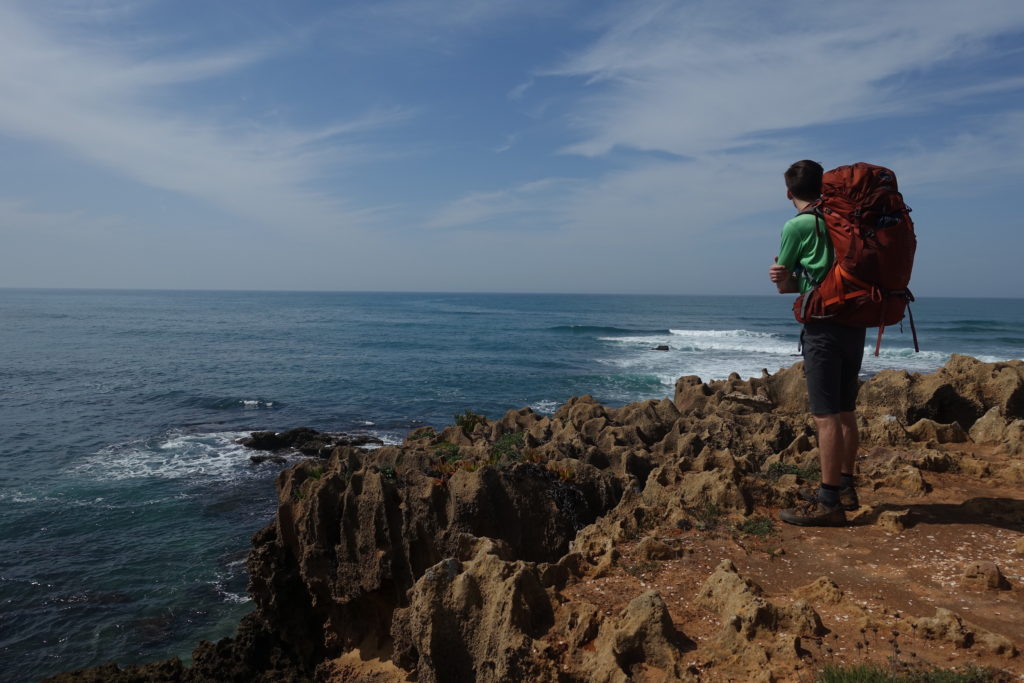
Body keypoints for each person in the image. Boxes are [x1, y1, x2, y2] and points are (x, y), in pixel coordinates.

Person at [769, 160, 865, 526]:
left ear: (789, 192)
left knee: (824, 416)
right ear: (824, 188)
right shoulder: (846, 220)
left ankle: (829, 503)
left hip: (823, 326)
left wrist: (779, 274)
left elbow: (788, 286)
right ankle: (847, 485)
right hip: (855, 322)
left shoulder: (797, 226)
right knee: (845, 411)